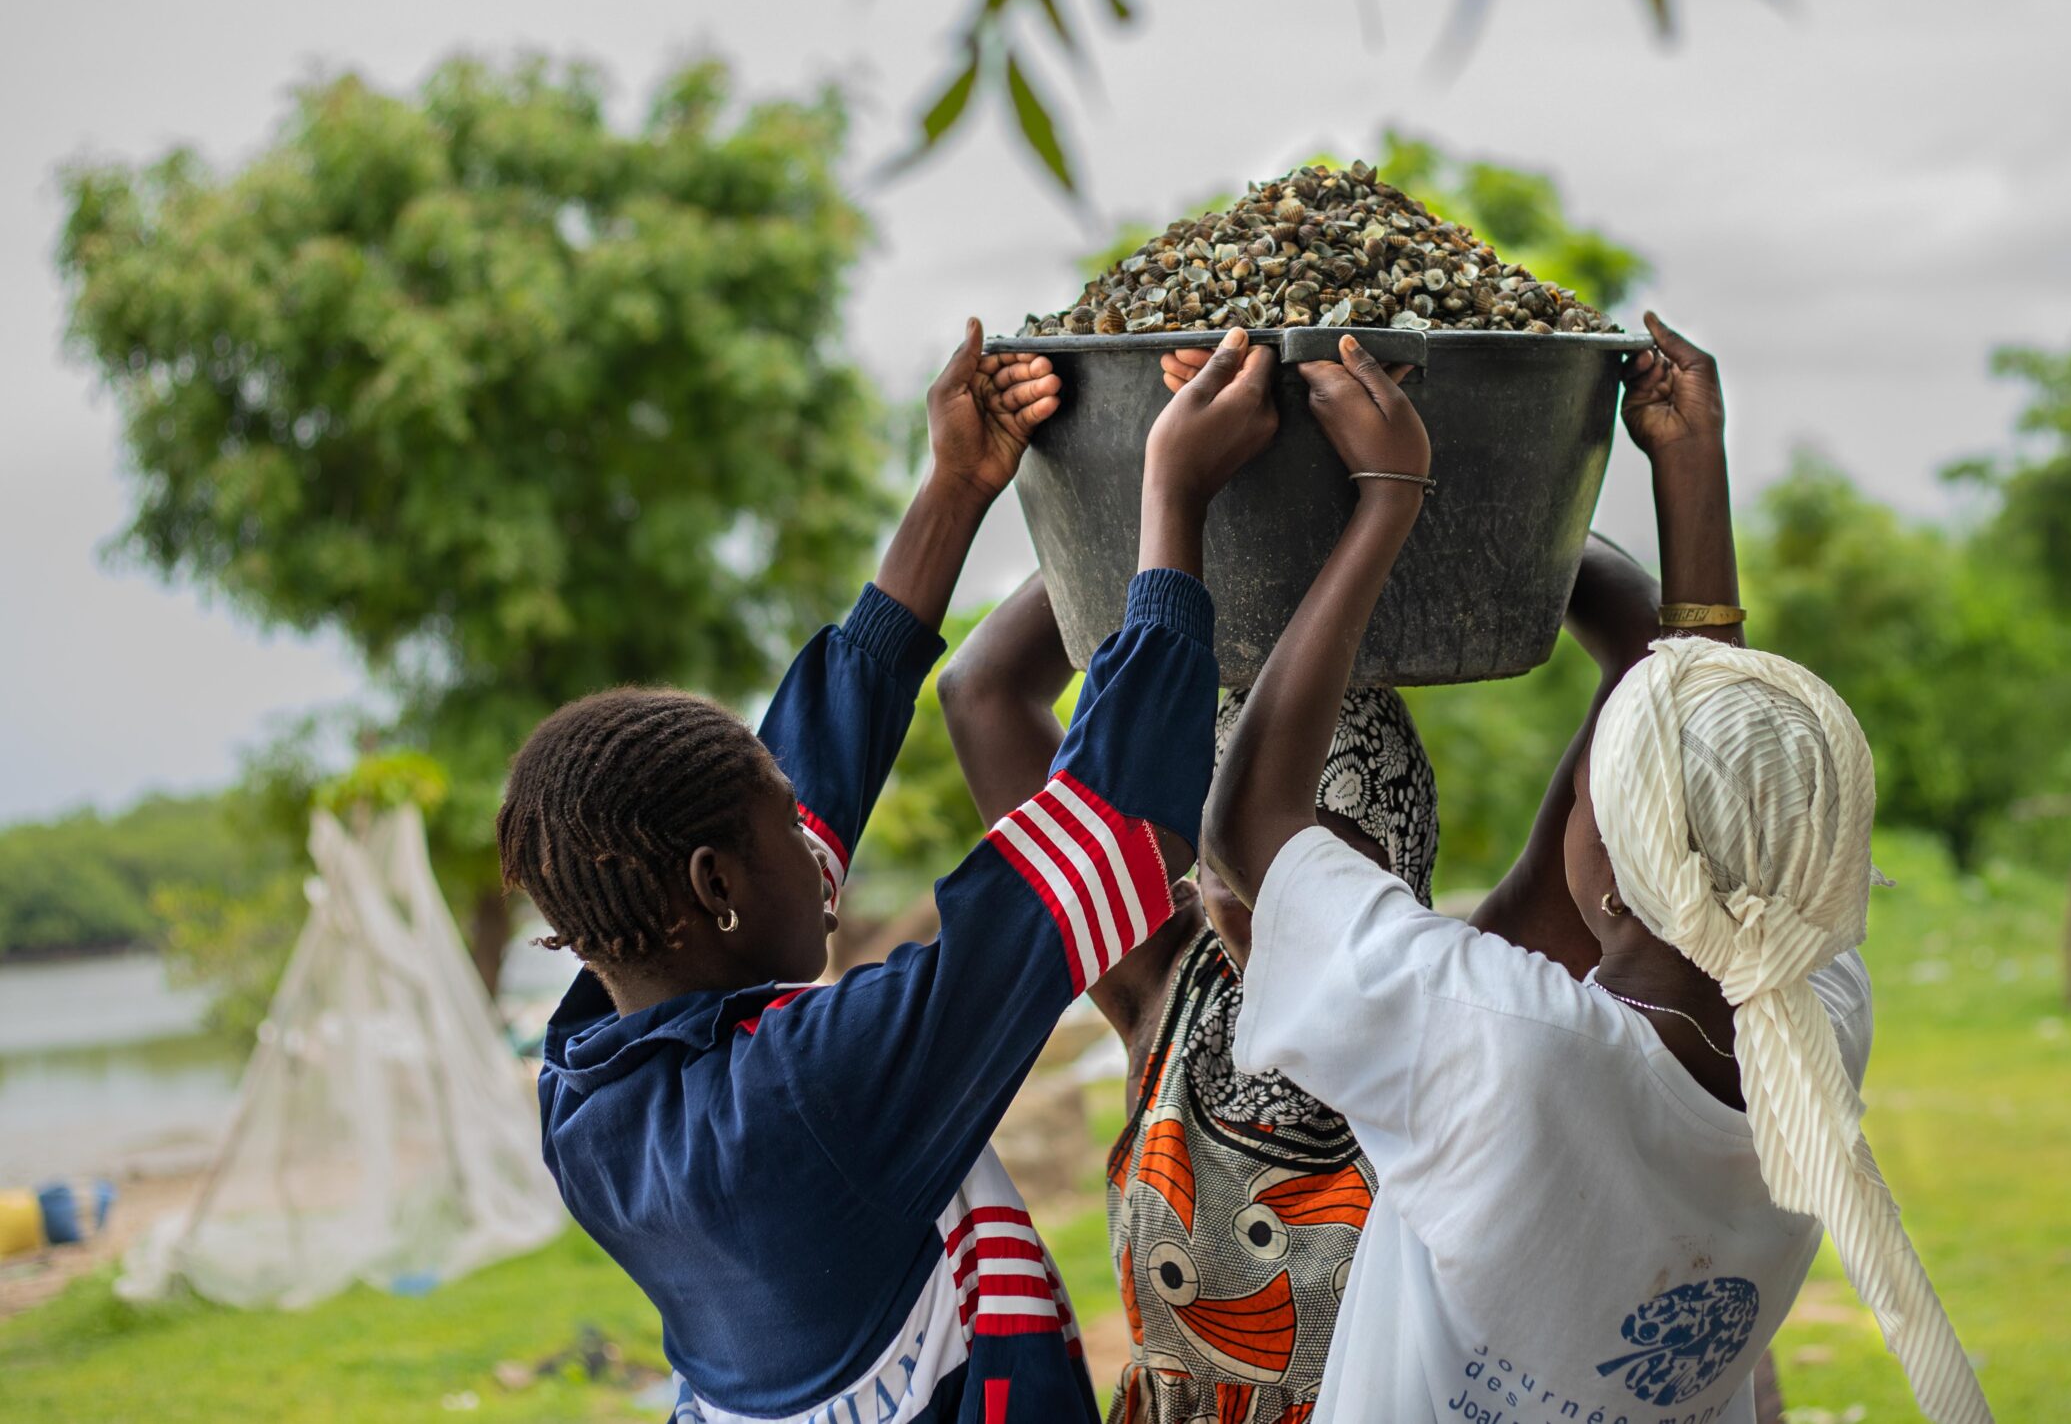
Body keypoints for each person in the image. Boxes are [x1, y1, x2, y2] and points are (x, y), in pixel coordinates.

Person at [1202, 318, 1995, 1424]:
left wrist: (1388, 497)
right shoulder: (1814, 1014)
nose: (1564, 799)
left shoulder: (1512, 1052)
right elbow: (1703, 747)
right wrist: (1692, 476)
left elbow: (1251, 824)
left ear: (1623, 873)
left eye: (1582, 788)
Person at [500, 322, 1279, 1424]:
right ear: (717, 886)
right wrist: (1172, 496)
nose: (820, 855)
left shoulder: (590, 1086)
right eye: (783, 832)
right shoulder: (812, 1091)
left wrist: (956, 487)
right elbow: (1105, 833)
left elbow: (800, 781)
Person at [940, 573, 1441, 1424]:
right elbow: (984, 691)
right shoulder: (1171, 987)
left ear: (1397, 849)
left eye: (1304, 854)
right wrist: (1169, 506)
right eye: (1224, 846)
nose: (1254, 891)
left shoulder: (1481, 1019)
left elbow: (1663, 751)